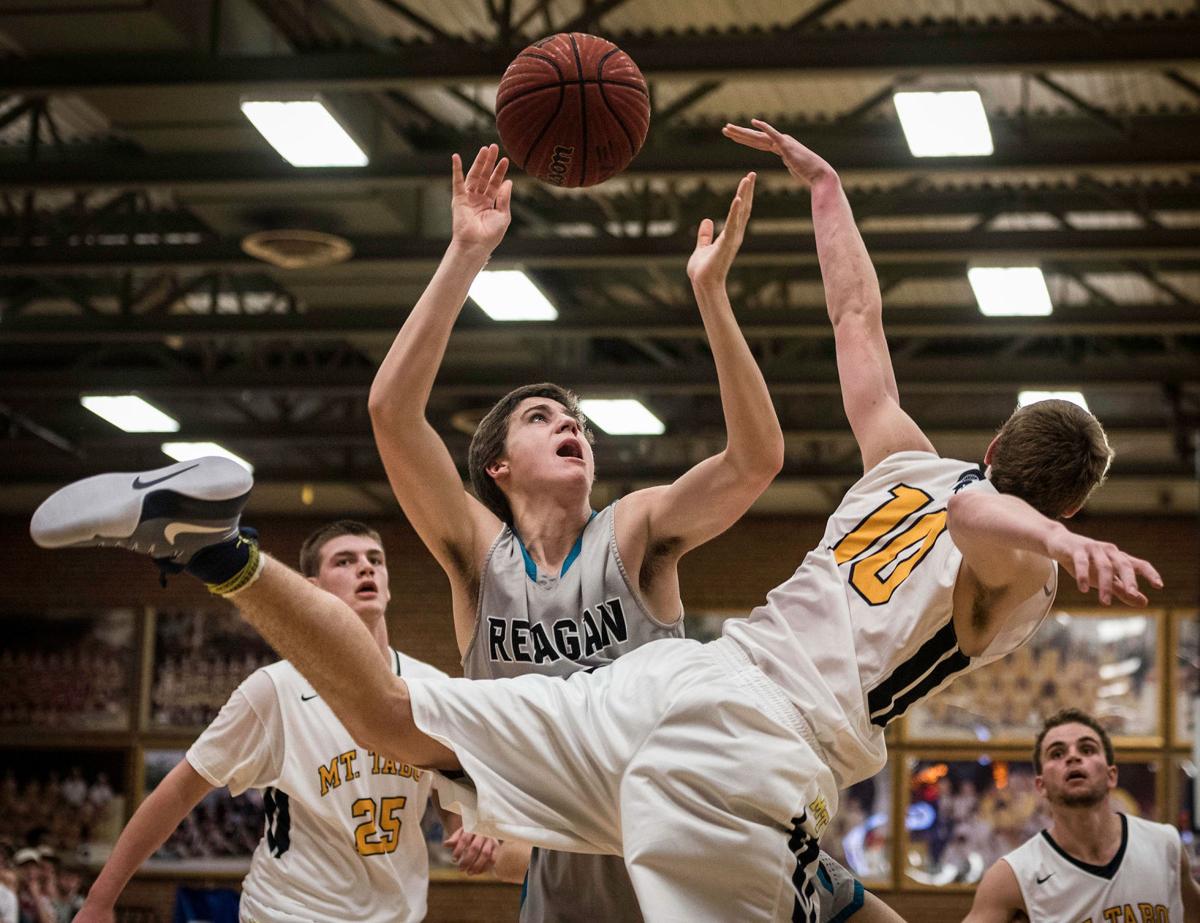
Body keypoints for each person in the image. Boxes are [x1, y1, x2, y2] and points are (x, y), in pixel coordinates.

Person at [31, 125, 1163, 923]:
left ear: (997, 437)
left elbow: (854, 323)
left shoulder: (885, 466)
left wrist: (827, 191)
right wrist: (1061, 542)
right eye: (543, 416)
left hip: (675, 705)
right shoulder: (1004, 554)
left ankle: (217, 546)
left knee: (385, 716)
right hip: (748, 751)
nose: (569, 424)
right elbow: (978, 512)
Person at [365, 144, 781, 922]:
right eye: (542, 417)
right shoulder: (479, 562)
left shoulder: (633, 532)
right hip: (565, 900)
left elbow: (756, 460)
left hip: (688, 884)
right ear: (496, 466)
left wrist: (713, 295)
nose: (571, 427)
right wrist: (464, 253)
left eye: (579, 422)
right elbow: (391, 412)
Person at [66, 520, 499, 923]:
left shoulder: (431, 687)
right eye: (344, 561)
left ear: (387, 584)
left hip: (396, 911)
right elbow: (178, 790)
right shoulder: (273, 690)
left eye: (375, 559)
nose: (365, 567)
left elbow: (450, 782)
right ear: (309, 589)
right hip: (290, 909)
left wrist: (468, 827)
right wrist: (101, 900)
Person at [964, 708, 1200, 922]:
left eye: (1087, 749)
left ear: (1111, 776)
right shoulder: (1013, 875)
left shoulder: (1165, 844)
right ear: (1041, 785)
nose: (1073, 757)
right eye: (1057, 754)